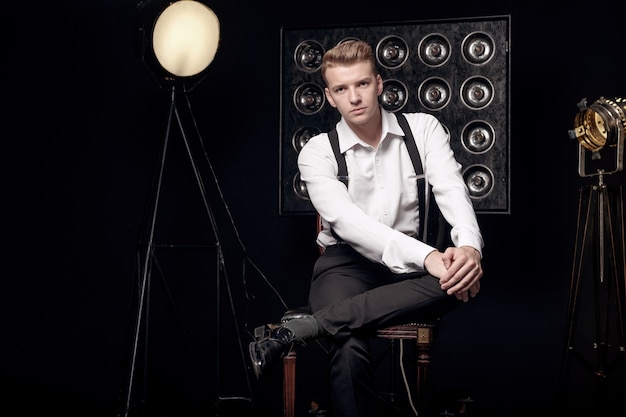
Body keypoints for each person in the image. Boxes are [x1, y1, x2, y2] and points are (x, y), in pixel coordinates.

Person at [249, 39, 484, 417]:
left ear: (378, 83)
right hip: (346, 265)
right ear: (329, 96)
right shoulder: (317, 152)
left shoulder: (423, 129)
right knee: (348, 346)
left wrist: (469, 248)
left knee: (456, 281)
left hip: (415, 270)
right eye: (342, 89)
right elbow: (350, 224)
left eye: (361, 84)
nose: (354, 97)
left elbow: (452, 189)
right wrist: (430, 257)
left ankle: (299, 330)